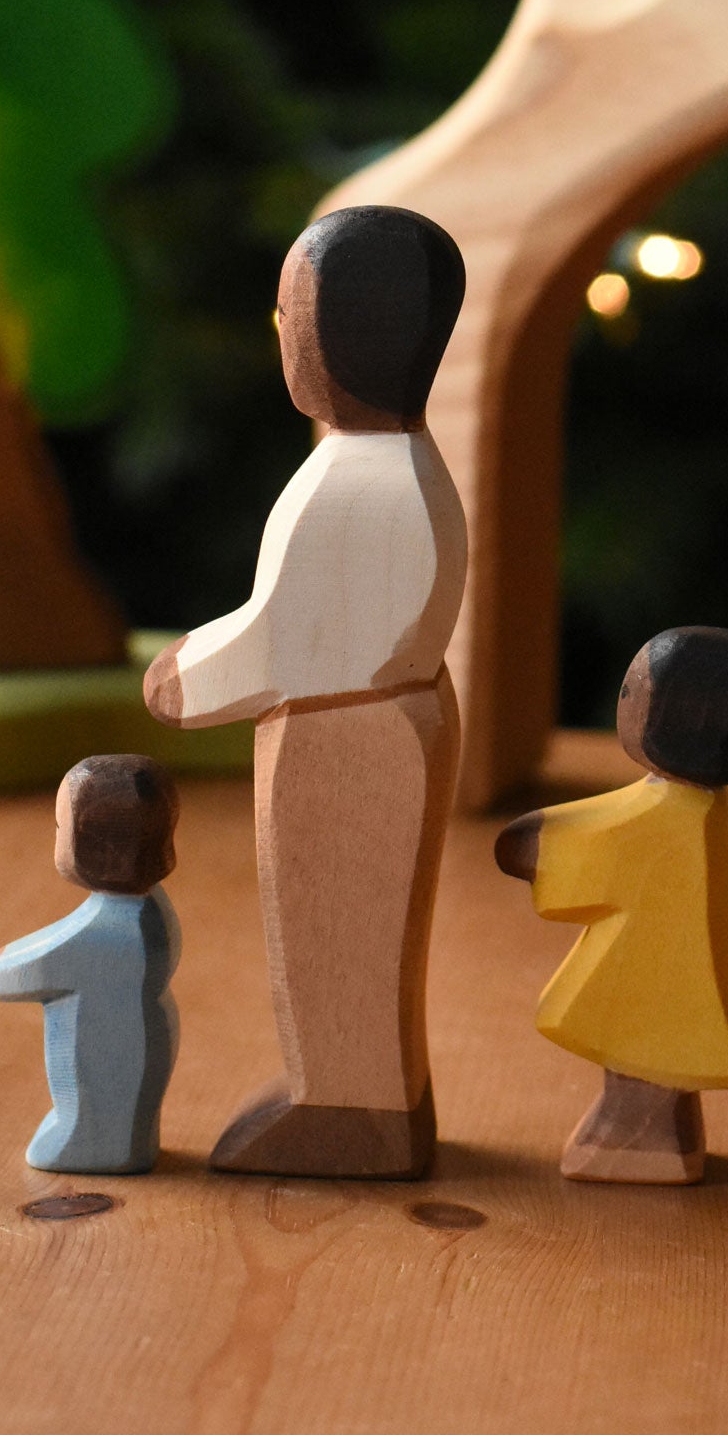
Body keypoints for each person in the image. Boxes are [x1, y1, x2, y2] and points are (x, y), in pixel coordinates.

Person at [143, 204, 467, 1178]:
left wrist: (184, 678)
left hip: (344, 736)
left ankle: (347, 1108)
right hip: (376, 720)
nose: (280, 327)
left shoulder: (356, 484)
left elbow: (289, 639)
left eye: (293, 311)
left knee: (336, 941)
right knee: (352, 942)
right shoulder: (394, 464)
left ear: (349, 333)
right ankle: (377, 1096)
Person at [497, 627, 728, 1185]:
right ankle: (671, 1134)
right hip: (672, 973)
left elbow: (606, 837)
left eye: (631, 692)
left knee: (640, 1061)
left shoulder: (673, 814)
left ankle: (640, 1143)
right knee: (653, 1059)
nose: (622, 703)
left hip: (651, 976)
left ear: (674, 716)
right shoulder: (704, 808)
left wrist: (536, 843)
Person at [0, 755, 180, 1174]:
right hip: (148, 1042)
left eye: (60, 827)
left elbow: (35, 963)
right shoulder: (154, 912)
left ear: (96, 845)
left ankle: (96, 1146)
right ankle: (132, 1143)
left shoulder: (108, 932)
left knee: (96, 1118)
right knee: (131, 1118)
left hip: (108, 1064)